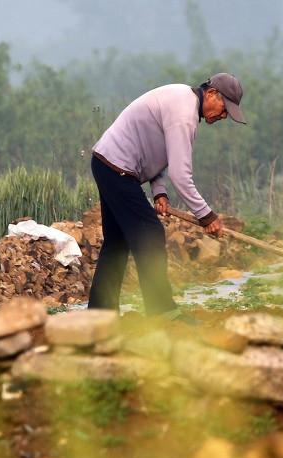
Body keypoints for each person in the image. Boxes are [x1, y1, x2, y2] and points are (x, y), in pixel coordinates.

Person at [87, 72, 245, 319]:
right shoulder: (184, 115)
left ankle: (99, 314)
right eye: (225, 108)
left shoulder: (183, 103)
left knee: (117, 244)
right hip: (117, 169)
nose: (224, 116)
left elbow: (156, 152)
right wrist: (207, 216)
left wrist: (159, 192)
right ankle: (161, 311)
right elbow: (181, 176)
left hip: (108, 164)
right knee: (150, 233)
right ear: (212, 94)